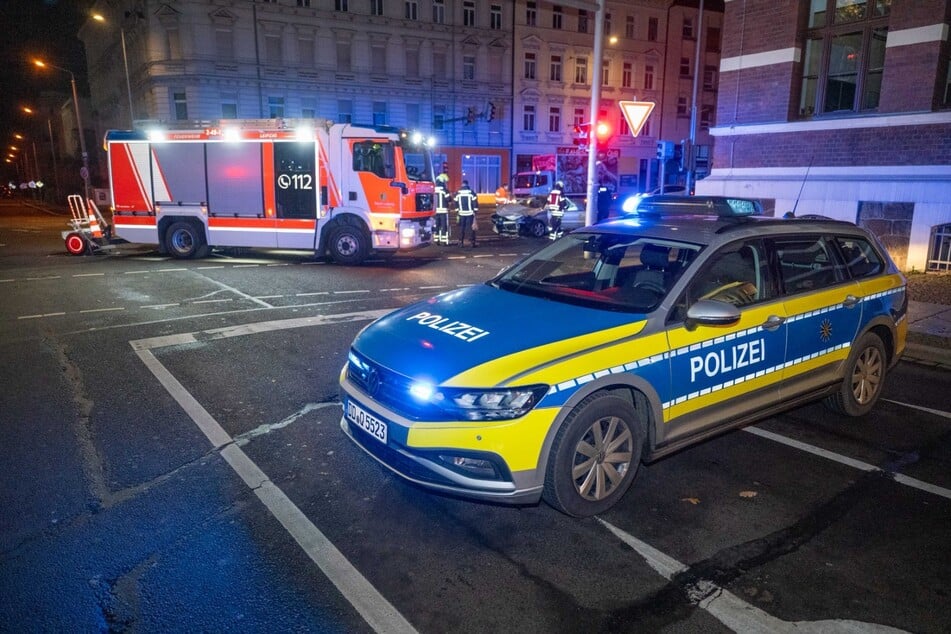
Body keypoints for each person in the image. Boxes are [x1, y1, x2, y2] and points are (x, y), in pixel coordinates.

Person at [454, 180, 479, 247]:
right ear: (467, 184)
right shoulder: (471, 193)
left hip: (461, 213)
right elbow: (475, 203)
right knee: (470, 228)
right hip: (470, 213)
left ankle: (460, 242)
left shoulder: (458, 193)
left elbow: (455, 203)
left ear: (462, 185)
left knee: (461, 228)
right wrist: (475, 212)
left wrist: (457, 211)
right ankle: (472, 242)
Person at [434, 180, 451, 245]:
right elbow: (448, 199)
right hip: (443, 211)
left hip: (435, 211)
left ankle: (436, 240)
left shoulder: (434, 190)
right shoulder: (445, 191)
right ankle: (443, 241)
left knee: (437, 225)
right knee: (444, 226)